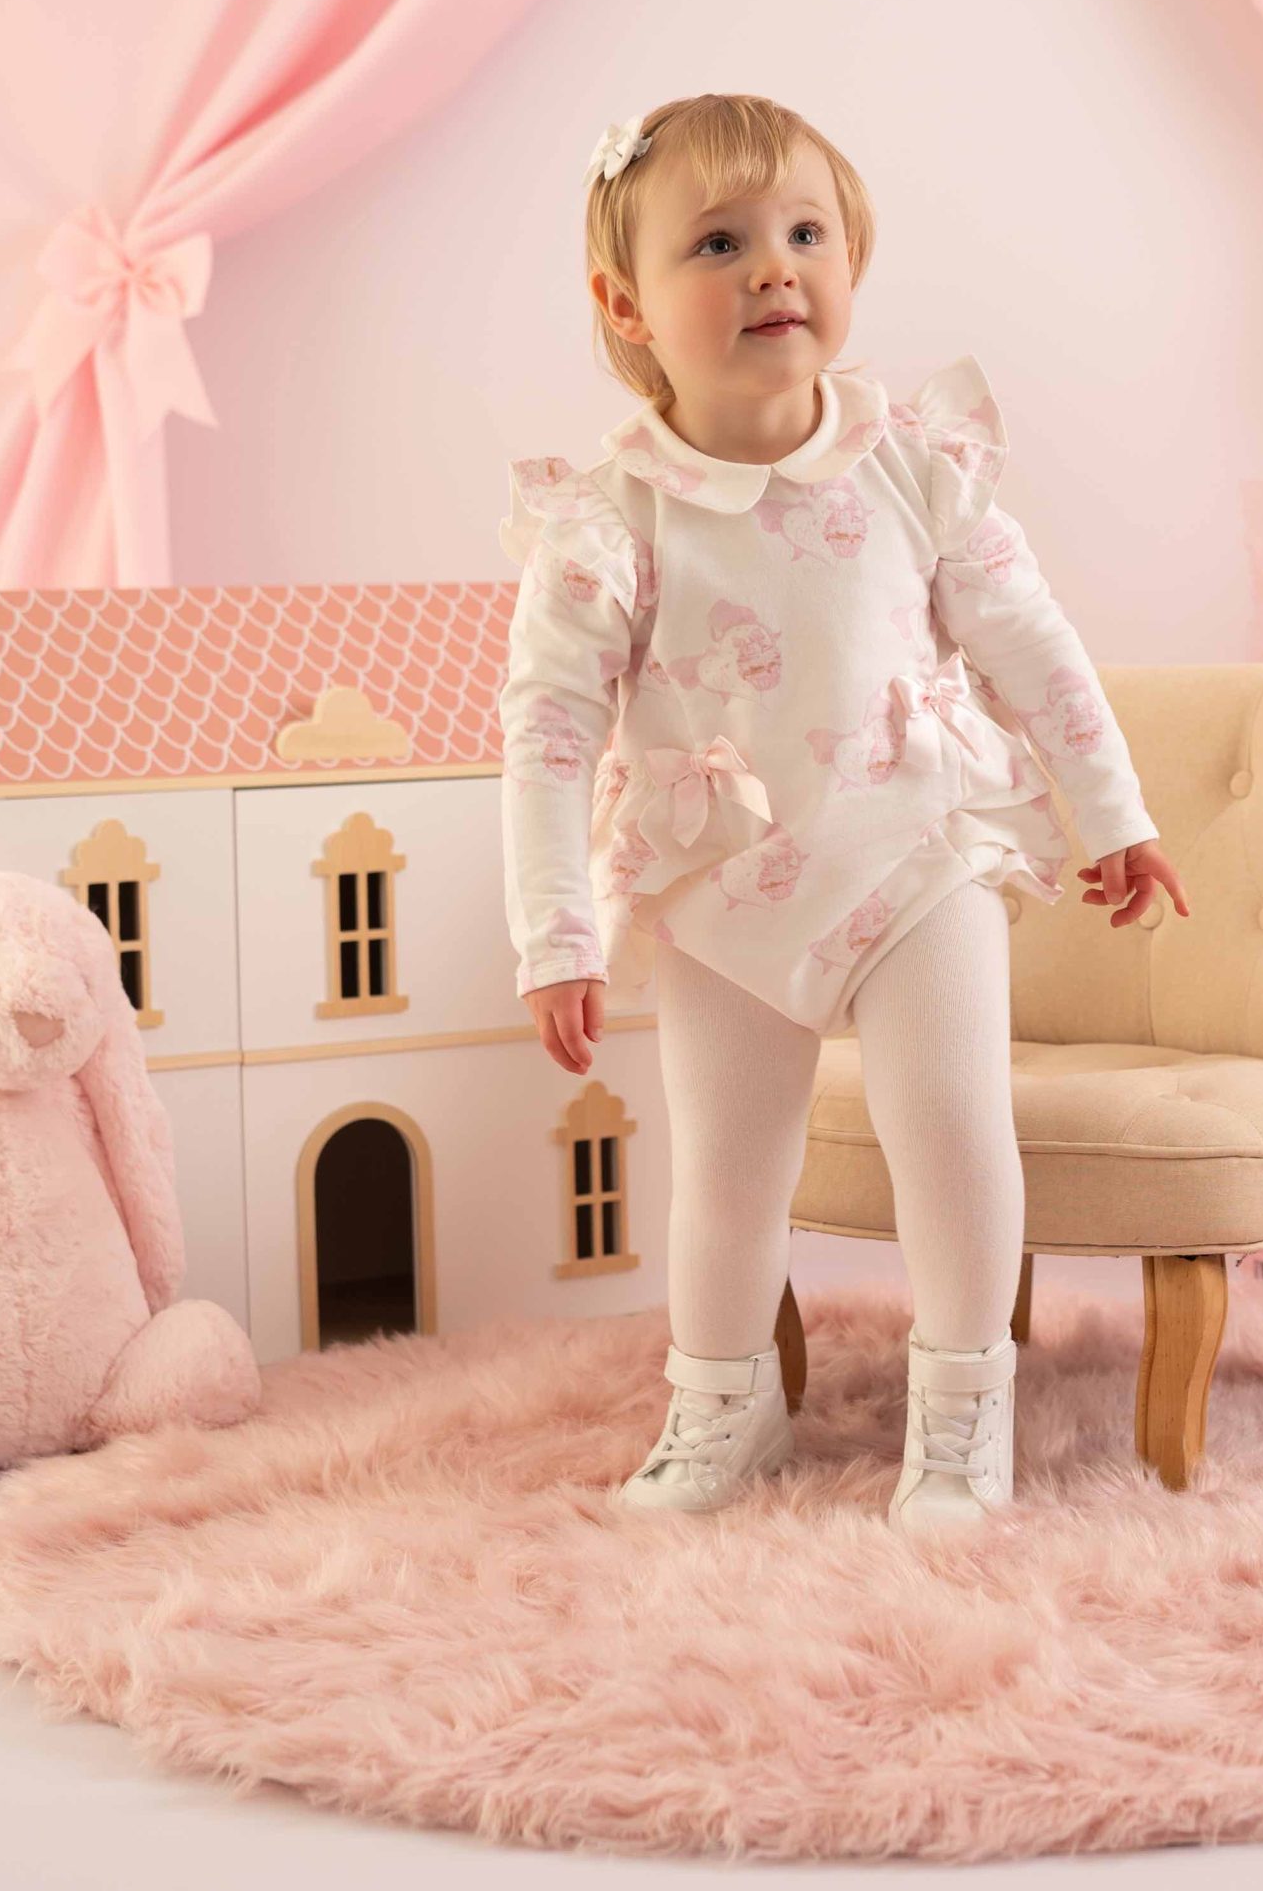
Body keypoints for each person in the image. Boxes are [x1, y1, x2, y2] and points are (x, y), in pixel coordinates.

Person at [497, 93, 1189, 1537]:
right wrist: (557, 936)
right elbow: (549, 733)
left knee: (951, 1126)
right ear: (626, 302)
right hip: (724, 880)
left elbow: (1035, 645)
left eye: (807, 233)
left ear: (850, 260)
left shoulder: (912, 462)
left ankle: (963, 1405)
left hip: (920, 845)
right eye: (720, 243)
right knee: (726, 1167)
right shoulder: (612, 520)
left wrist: (1113, 812)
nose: (774, 267)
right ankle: (724, 1397)